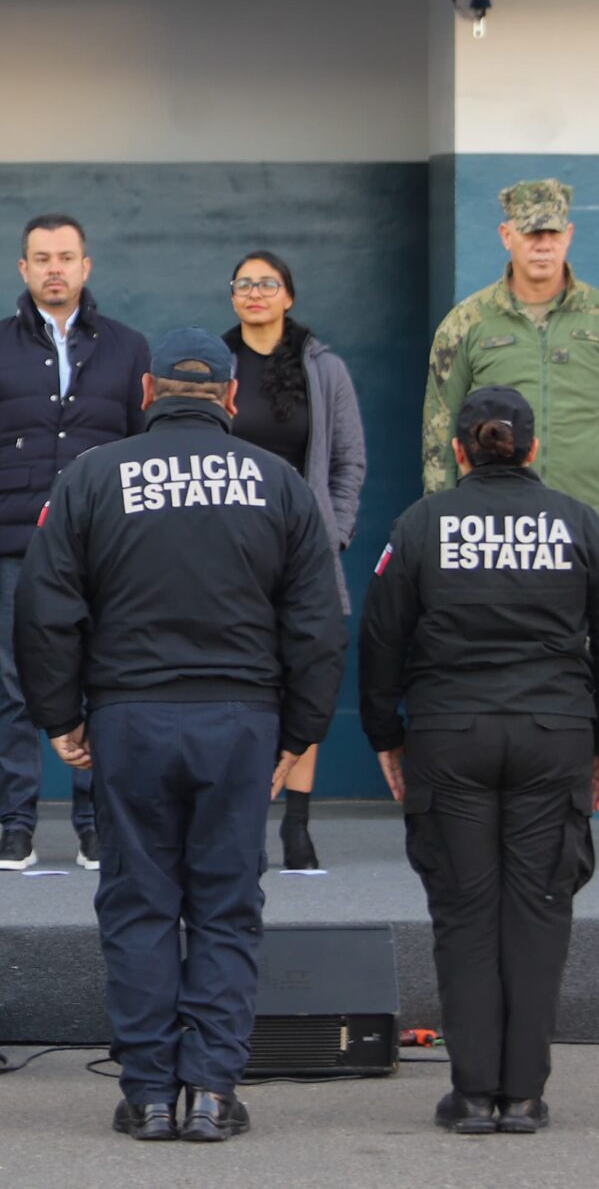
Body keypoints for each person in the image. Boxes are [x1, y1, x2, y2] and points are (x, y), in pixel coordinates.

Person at [16, 329, 344, 1145]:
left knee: (140, 904)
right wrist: (301, 731)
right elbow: (316, 623)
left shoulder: (93, 475)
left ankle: (150, 1095)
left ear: (146, 393)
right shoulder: (278, 481)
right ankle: (211, 1092)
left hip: (131, 718)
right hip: (241, 721)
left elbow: (45, 607)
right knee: (227, 907)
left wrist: (61, 716)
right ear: (230, 397)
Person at [359, 386, 599, 1136]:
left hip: (450, 736)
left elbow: (382, 637)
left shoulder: (422, 523)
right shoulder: (579, 523)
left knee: (465, 912)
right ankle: (524, 1096)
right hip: (554, 735)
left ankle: (475, 1094)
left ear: (459, 451)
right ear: (534, 449)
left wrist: (386, 735)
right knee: (540, 911)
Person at [0, 213, 149, 873]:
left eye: (66, 256)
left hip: (105, 544)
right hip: (15, 541)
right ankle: (16, 826)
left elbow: (142, 448)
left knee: (101, 676)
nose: (54, 268)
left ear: (86, 266)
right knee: (14, 684)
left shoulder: (127, 347)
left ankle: (95, 824)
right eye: (42, 258)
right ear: (24, 268)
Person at [222, 250, 367, 872]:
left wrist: (334, 532)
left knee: (305, 674)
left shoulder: (323, 368)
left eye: (268, 283)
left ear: (289, 296)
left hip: (304, 549)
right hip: (231, 551)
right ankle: (245, 818)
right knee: (244, 679)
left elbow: (348, 460)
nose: (255, 293)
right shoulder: (217, 363)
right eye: (244, 284)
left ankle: (298, 825)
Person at [422, 179, 599, 561]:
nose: (543, 245)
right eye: (531, 233)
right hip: (491, 525)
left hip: (583, 517)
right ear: (506, 235)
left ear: (569, 235)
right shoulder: (466, 323)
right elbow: (439, 426)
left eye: (553, 233)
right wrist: (444, 512)